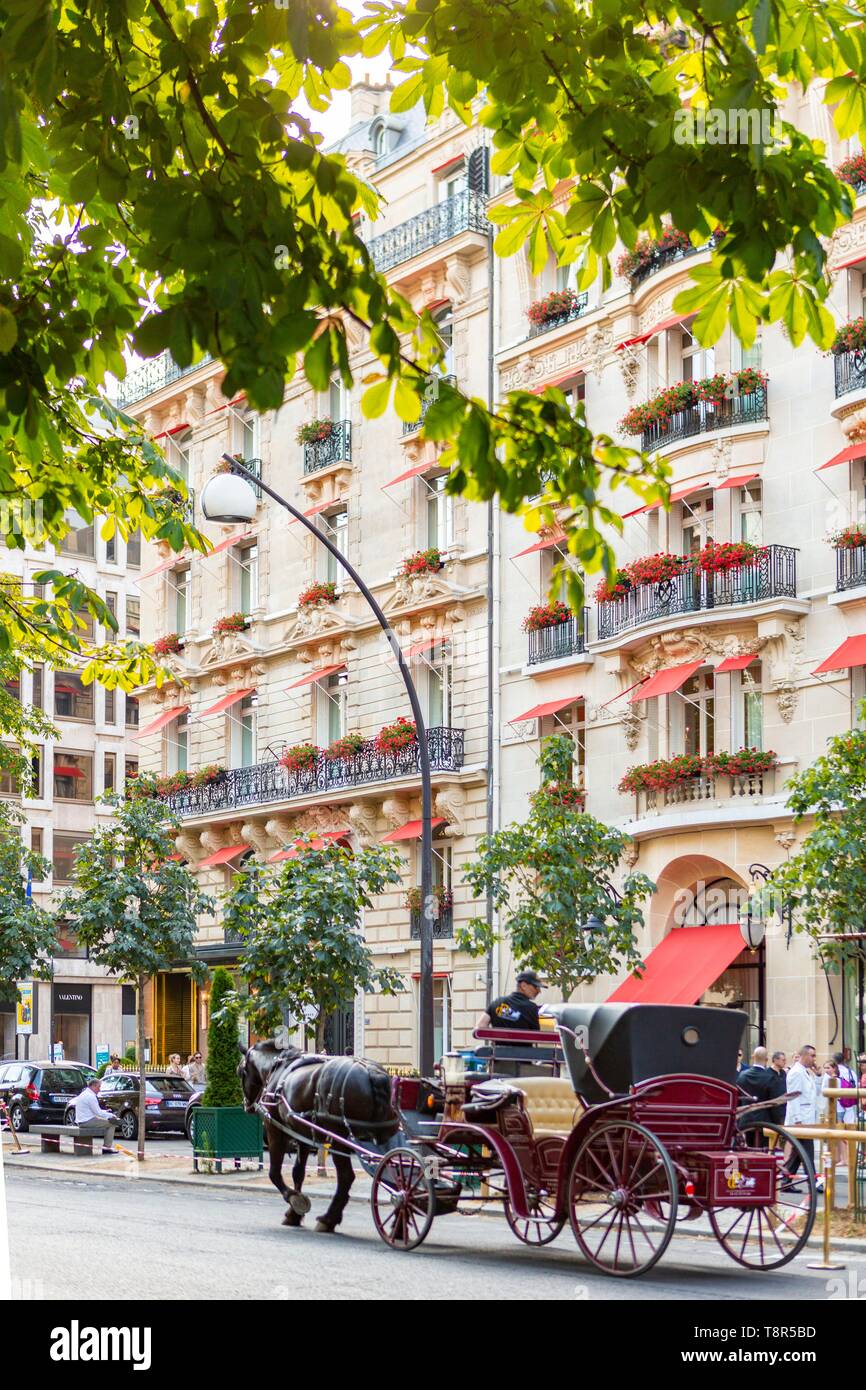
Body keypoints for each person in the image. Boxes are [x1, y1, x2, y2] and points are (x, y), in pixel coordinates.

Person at [783, 1044, 822, 1190]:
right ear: (804, 1055)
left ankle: (786, 1181)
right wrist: (798, 1120)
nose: (814, 1059)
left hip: (807, 1119)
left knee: (798, 1153)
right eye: (812, 1056)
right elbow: (793, 1098)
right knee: (807, 1151)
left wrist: (818, 1076)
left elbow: (816, 1093)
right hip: (799, 1120)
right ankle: (814, 1182)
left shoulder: (805, 1072)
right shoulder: (796, 1073)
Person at [477, 970, 545, 1037]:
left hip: (499, 1048)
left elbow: (480, 1027)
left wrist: (495, 1038)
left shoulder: (497, 1003)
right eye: (536, 987)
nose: (539, 991)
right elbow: (536, 1036)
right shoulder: (531, 1008)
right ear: (524, 985)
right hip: (523, 1048)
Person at [73, 1078, 118, 1154]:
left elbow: (94, 1111)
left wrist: (105, 1112)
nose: (99, 1089)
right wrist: (111, 1115)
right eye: (98, 1087)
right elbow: (98, 1113)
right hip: (86, 1121)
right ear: (93, 1086)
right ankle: (106, 1148)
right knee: (112, 1123)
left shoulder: (84, 1093)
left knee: (106, 1121)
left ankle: (106, 1146)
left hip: (82, 1120)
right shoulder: (91, 1096)